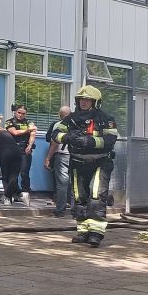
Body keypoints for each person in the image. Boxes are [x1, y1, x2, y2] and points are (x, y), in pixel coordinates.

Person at [52, 86, 119, 247]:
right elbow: (54, 135)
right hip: (77, 163)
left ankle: (96, 233)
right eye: (81, 99)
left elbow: (110, 139)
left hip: (100, 162)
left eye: (87, 100)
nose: (83, 102)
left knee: (96, 197)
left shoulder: (105, 119)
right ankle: (83, 231)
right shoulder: (71, 118)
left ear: (95, 102)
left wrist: (89, 141)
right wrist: (67, 137)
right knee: (79, 198)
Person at [0, 114, 26, 204]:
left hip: (5, 153)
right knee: (13, 176)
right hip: (17, 152)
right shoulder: (5, 131)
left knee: (6, 176)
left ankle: (13, 196)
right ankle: (10, 197)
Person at [43, 105, 73, 217]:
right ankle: (76, 210)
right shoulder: (79, 123)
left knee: (62, 184)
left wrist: (48, 158)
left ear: (60, 115)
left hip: (63, 156)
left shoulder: (59, 125)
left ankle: (60, 210)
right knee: (75, 183)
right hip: (76, 156)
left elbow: (54, 143)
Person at [4, 104, 37, 201]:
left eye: (23, 113)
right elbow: (14, 132)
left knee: (24, 173)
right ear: (15, 112)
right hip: (12, 150)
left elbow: (33, 133)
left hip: (25, 150)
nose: (21, 115)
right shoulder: (9, 122)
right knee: (13, 174)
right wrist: (27, 130)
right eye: (19, 112)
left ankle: (26, 193)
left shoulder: (29, 122)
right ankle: (12, 194)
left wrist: (30, 145)